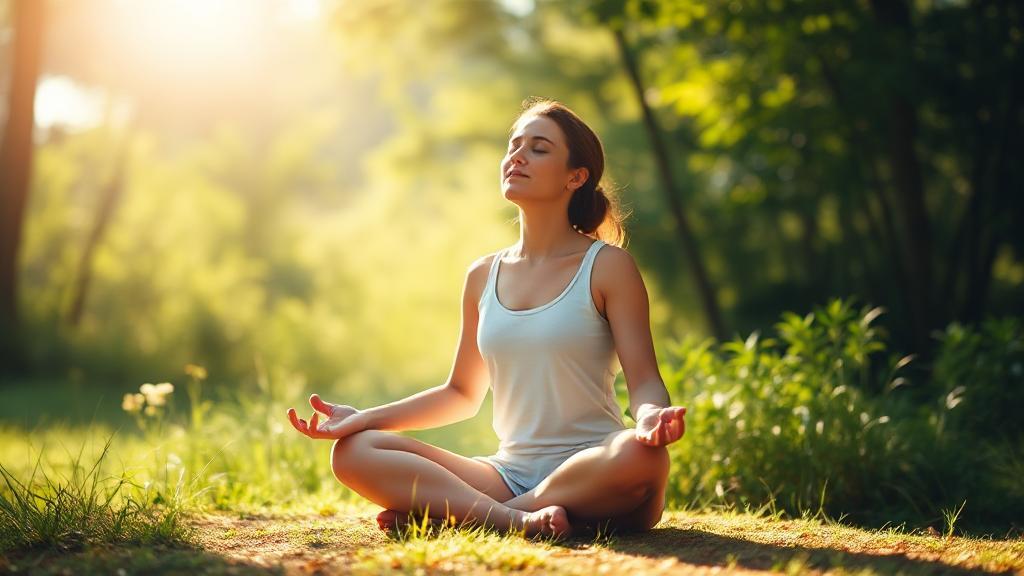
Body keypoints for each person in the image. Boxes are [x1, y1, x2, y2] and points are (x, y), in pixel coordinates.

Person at [287, 97, 687, 539]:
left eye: (538, 148)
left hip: (598, 467)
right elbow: (460, 393)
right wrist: (363, 418)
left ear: (576, 177)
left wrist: (652, 416)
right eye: (514, 145)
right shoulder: (482, 275)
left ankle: (463, 515)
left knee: (641, 455)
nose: (517, 156)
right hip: (507, 473)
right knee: (353, 452)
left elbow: (644, 381)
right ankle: (515, 519)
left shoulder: (608, 266)